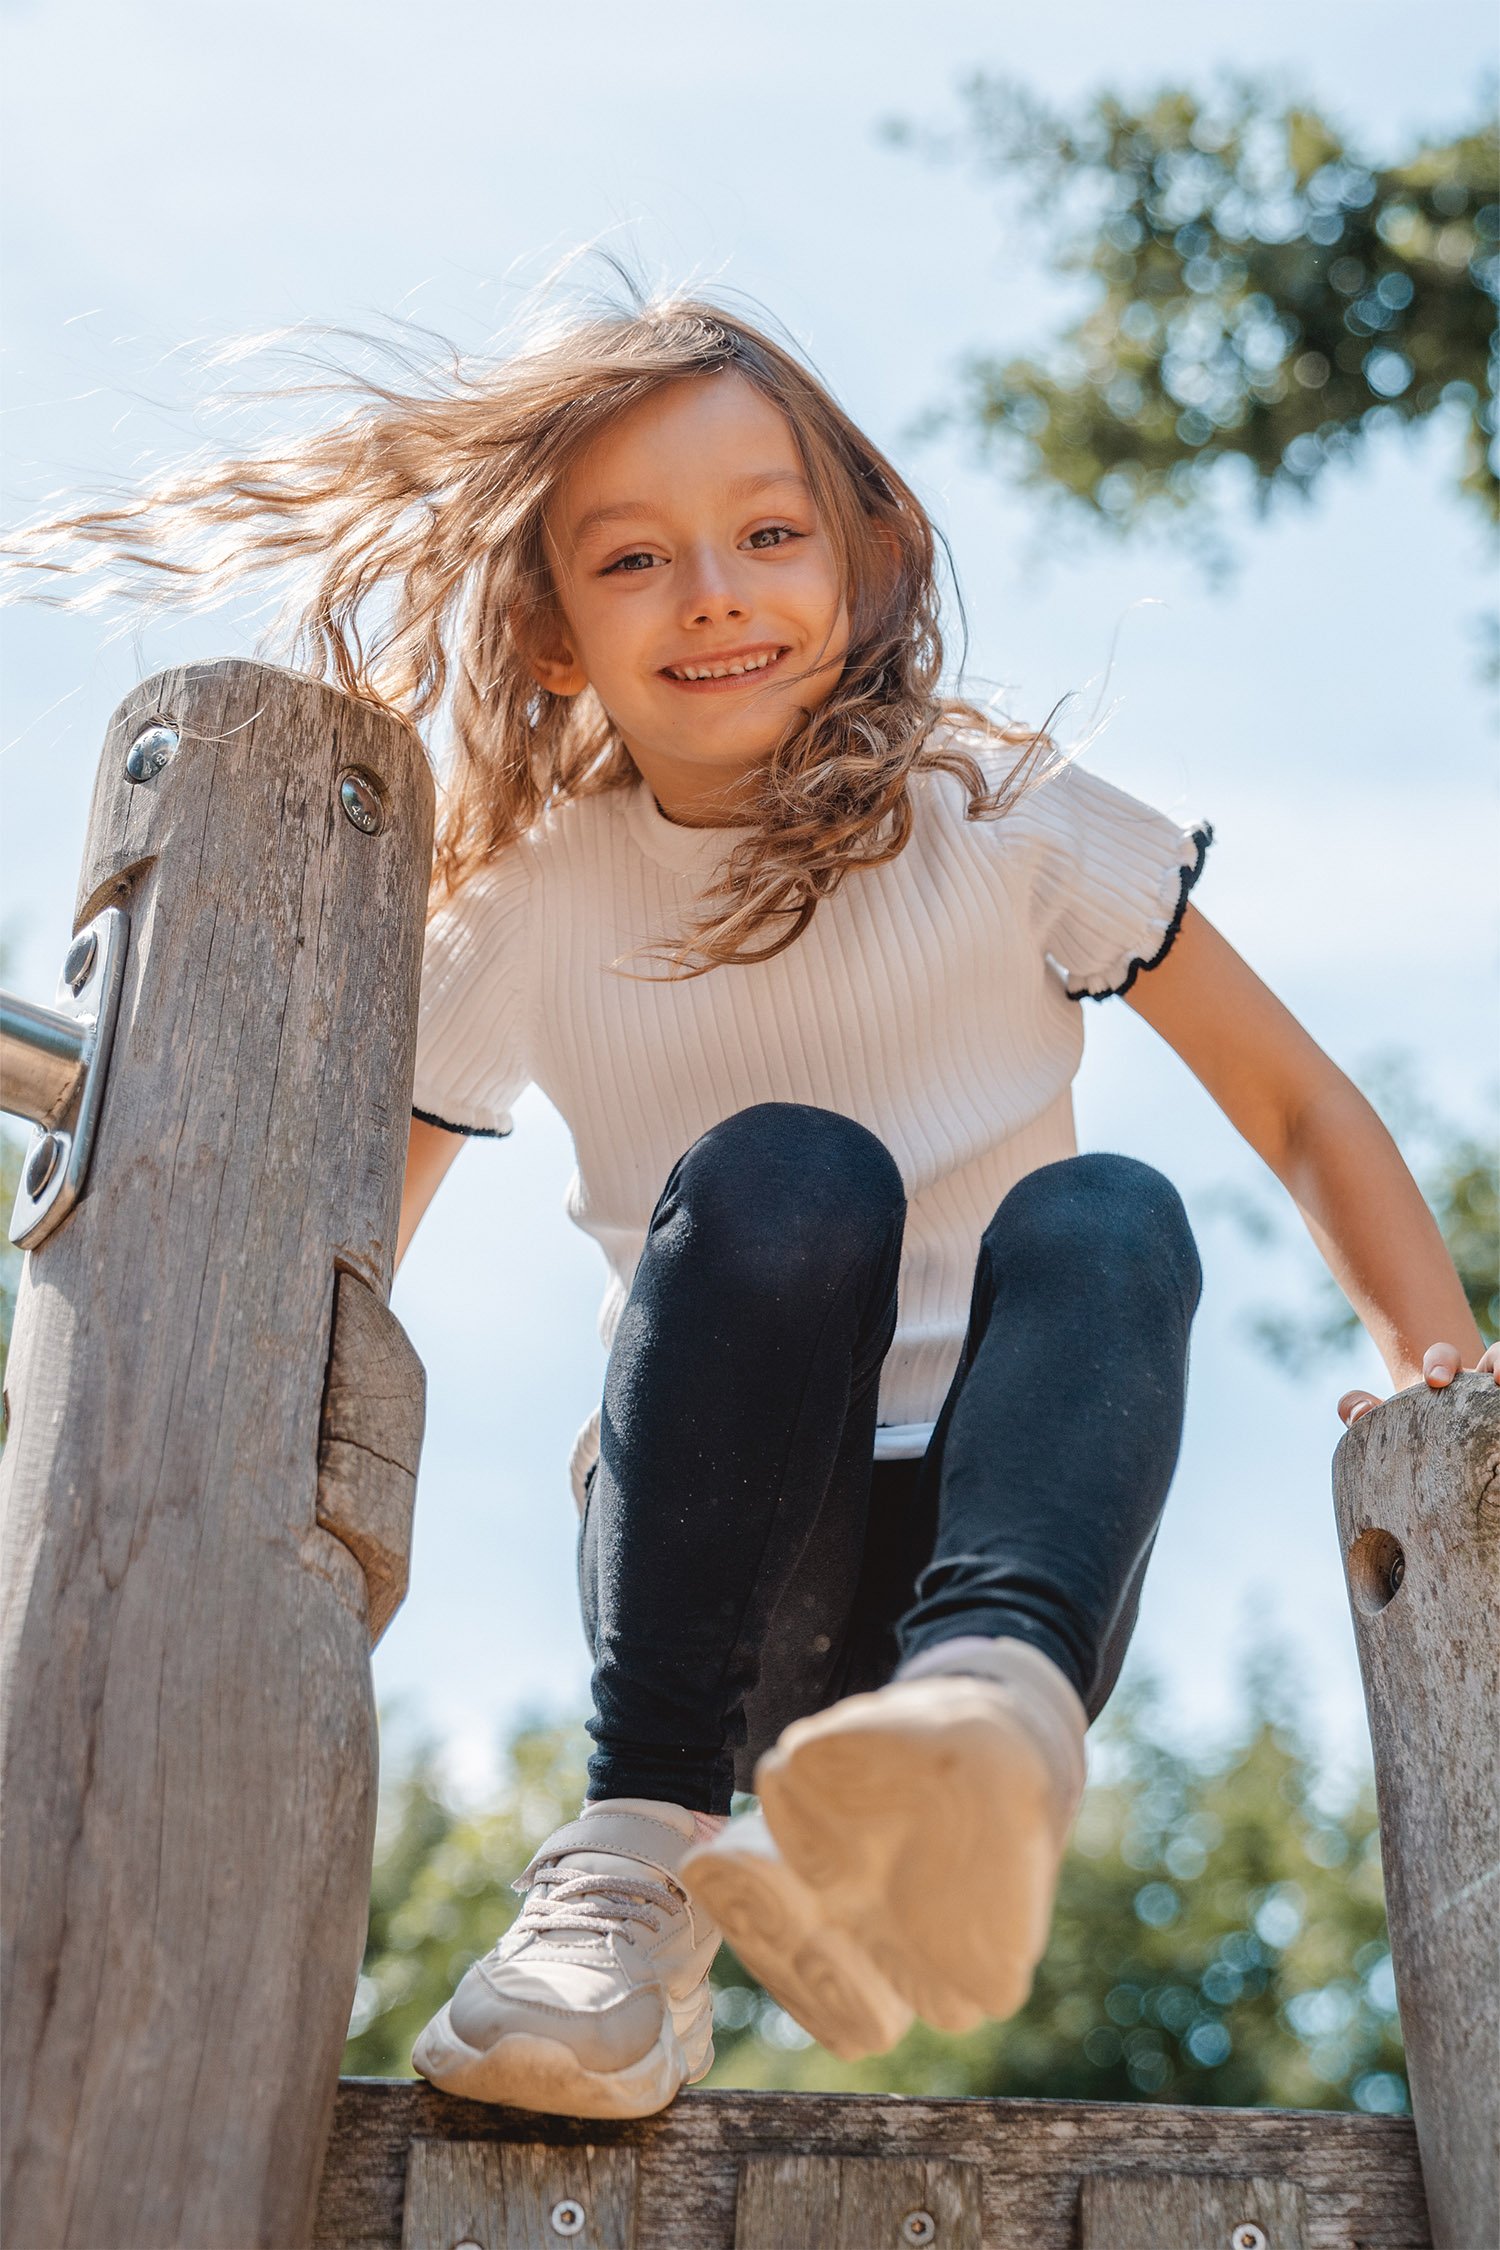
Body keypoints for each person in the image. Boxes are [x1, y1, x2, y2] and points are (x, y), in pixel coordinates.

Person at [17, 288, 1496, 2123]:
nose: (714, 591)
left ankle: (979, 1738)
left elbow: (1289, 1101)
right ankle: (632, 1873)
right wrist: (220, 1518)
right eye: (635, 558)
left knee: (1110, 1210)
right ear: (554, 635)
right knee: (795, 1171)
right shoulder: (529, 898)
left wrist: (1444, 1376)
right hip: (726, 1556)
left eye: (770, 534)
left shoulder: (1008, 814)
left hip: (998, 1537)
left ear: (870, 562)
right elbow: (344, 1254)